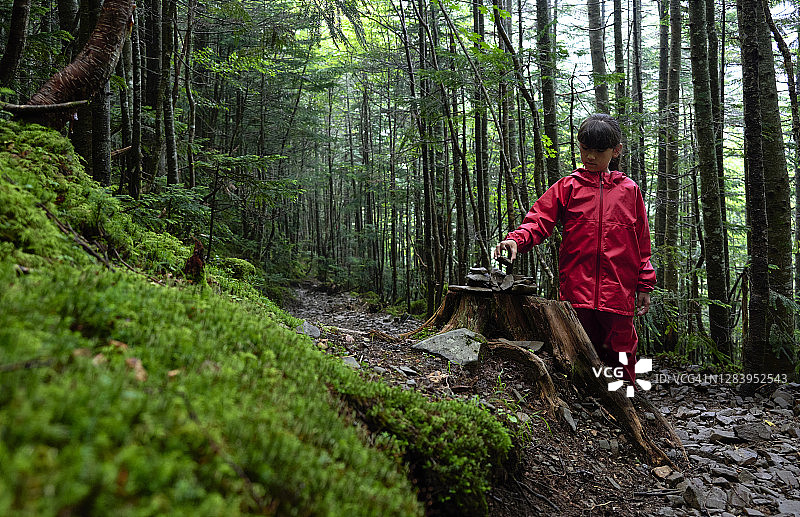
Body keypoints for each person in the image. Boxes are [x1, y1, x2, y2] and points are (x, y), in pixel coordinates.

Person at [494, 114, 655, 383]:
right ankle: (586, 408)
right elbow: (538, 221)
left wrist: (645, 285)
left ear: (616, 151)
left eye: (598, 151)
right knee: (579, 353)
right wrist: (516, 240)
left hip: (618, 292)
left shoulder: (630, 191)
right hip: (576, 292)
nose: (590, 157)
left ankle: (629, 408)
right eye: (584, 149)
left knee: (622, 354)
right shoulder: (568, 187)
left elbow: (642, 243)